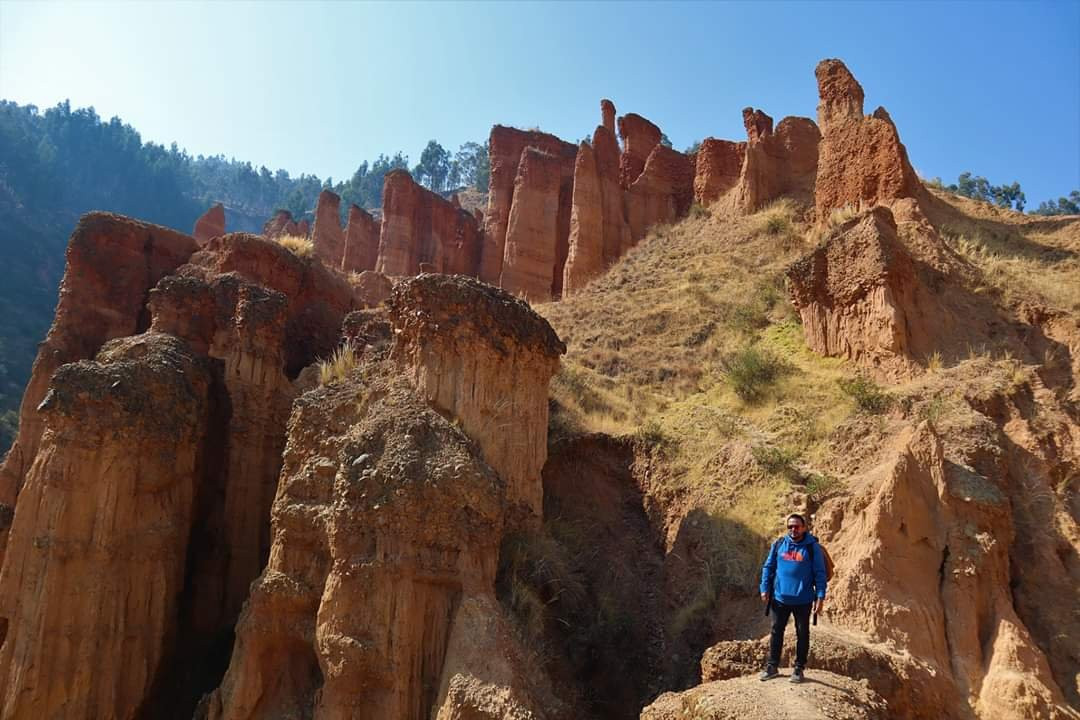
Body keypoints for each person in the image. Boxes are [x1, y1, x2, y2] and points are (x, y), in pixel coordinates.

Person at [758, 513, 826, 683]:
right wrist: (764, 588)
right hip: (779, 598)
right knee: (776, 631)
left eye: (797, 526)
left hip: (803, 600)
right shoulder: (779, 544)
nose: (793, 529)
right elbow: (768, 567)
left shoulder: (812, 547)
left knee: (802, 633)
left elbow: (820, 573)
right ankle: (772, 666)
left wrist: (820, 597)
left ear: (804, 527)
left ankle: (798, 668)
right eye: (790, 526)